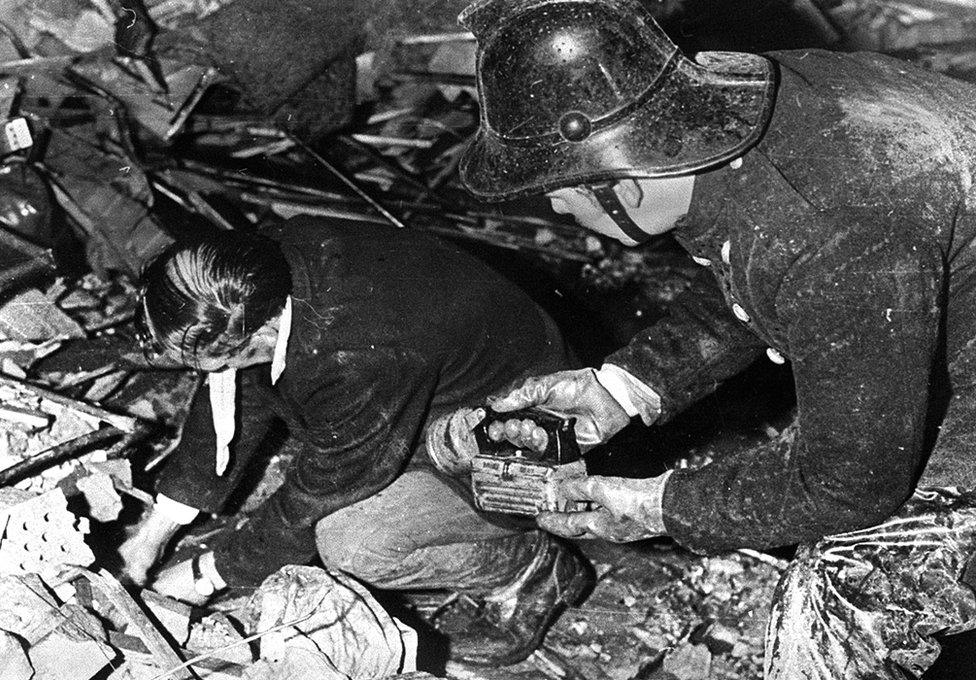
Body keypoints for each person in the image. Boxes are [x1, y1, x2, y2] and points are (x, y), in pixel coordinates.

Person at [436, 0, 976, 676]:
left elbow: (850, 483)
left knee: (842, 608)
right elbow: (752, 268)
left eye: (559, 190)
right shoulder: (726, 121)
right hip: (932, 274)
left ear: (620, 178)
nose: (552, 206)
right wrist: (622, 390)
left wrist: (657, 506)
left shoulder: (831, 231)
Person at [119, 216, 593, 667]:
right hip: (443, 400)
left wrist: (208, 575)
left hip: (529, 453)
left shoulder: (356, 354)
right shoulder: (263, 271)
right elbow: (233, 391)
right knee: (290, 410)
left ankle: (530, 570)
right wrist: (155, 532)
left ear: (258, 333)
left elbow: (321, 490)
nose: (206, 374)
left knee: (352, 544)